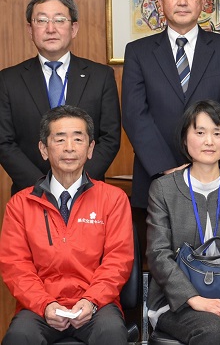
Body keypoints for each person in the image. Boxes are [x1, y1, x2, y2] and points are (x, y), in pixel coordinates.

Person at [121, 0, 220, 249]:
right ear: (160, 1)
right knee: (160, 261)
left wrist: (204, 162)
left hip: (218, 174)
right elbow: (134, 114)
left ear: (203, 1)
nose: (182, 1)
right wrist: (168, 169)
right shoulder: (138, 52)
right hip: (157, 175)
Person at [0, 105, 133, 345]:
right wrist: (45, 304)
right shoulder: (20, 204)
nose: (69, 148)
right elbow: (15, 266)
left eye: (78, 139)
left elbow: (119, 260)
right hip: (40, 307)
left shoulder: (113, 199)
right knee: (18, 337)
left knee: (112, 334)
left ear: (90, 148)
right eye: (59, 139)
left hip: (97, 306)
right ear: (43, 149)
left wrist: (92, 301)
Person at [146, 100, 220, 345]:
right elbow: (158, 254)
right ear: (185, 138)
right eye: (200, 132)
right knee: (213, 330)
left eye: (217, 133)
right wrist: (194, 298)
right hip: (177, 302)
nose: (209, 141)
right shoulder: (164, 188)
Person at [0, 0, 121, 194]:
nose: (50, 29)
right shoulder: (8, 80)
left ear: (74, 28)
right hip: (30, 192)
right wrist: (41, 184)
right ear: (30, 29)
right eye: (41, 20)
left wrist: (79, 183)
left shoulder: (101, 76)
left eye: (59, 20)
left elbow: (110, 138)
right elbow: (4, 141)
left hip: (88, 192)